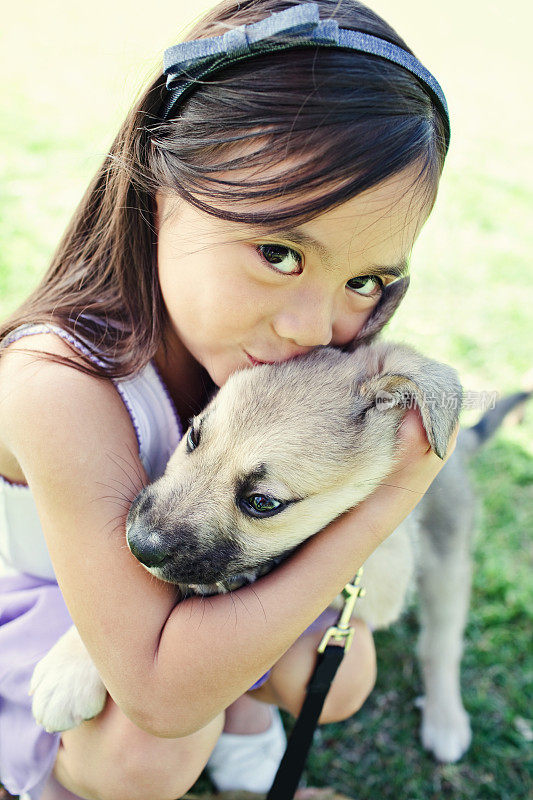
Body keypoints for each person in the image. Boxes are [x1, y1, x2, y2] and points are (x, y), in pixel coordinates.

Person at [0, 1, 456, 798]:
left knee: (316, 673)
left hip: (170, 630)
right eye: (279, 252)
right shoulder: (56, 386)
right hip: (50, 631)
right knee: (151, 750)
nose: (312, 327)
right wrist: (382, 506)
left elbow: (342, 681)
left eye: (363, 281)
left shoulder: (264, 373)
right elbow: (161, 694)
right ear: (160, 189)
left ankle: (240, 749)